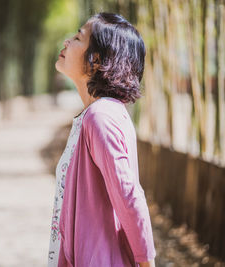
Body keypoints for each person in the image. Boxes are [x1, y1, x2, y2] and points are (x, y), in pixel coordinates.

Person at [47, 12, 156, 267]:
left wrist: (147, 261)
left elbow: (128, 194)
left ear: (96, 59)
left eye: (77, 38)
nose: (66, 42)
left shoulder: (101, 116)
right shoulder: (96, 114)